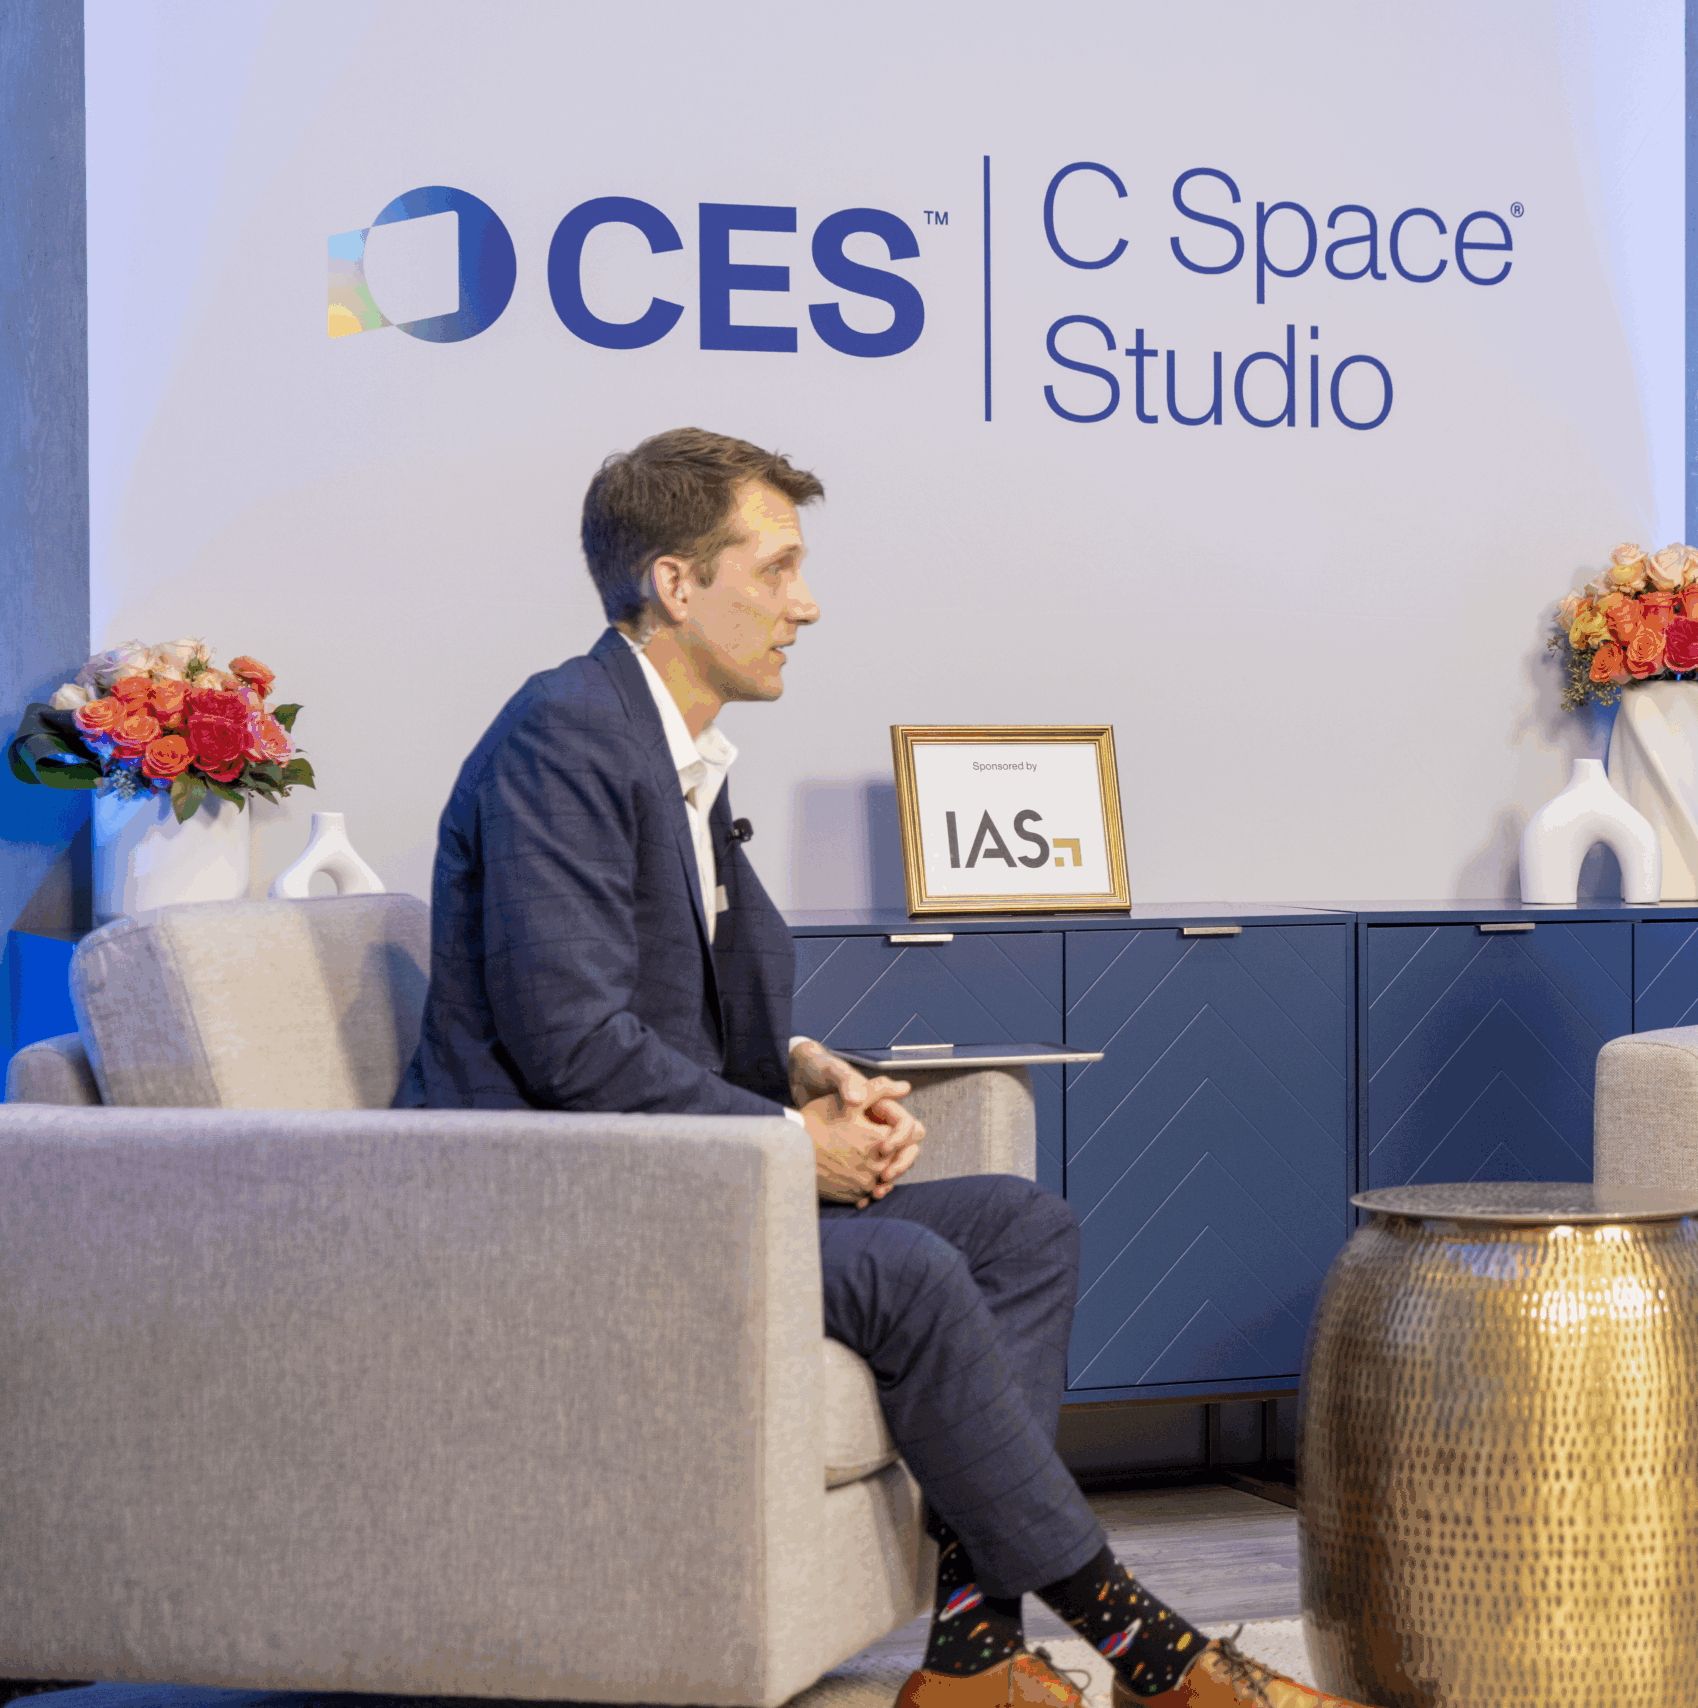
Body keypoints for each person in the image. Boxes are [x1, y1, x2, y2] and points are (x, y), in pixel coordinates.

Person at [400, 428, 1370, 1708]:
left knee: (1022, 1227)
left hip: (683, 1178)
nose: (808, 603)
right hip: (569, 1205)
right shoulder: (562, 735)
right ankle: (1147, 1643)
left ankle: (971, 1653)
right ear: (677, 584)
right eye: (780, 566)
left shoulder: (676, 760)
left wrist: (815, 1073)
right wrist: (787, 1144)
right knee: (910, 1265)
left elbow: (686, 1005)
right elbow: (568, 1038)